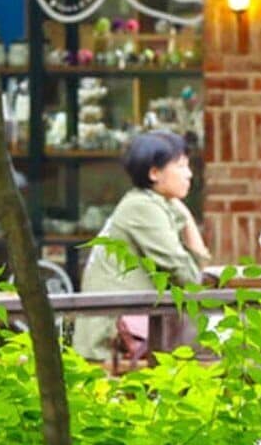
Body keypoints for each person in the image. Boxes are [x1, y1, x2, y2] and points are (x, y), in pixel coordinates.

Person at [74, 130, 208, 364]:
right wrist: (186, 216)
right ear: (154, 173)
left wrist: (184, 214)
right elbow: (188, 277)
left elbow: (193, 274)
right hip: (112, 341)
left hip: (132, 330)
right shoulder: (142, 208)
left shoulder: (152, 204)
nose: (189, 175)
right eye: (181, 166)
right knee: (220, 336)